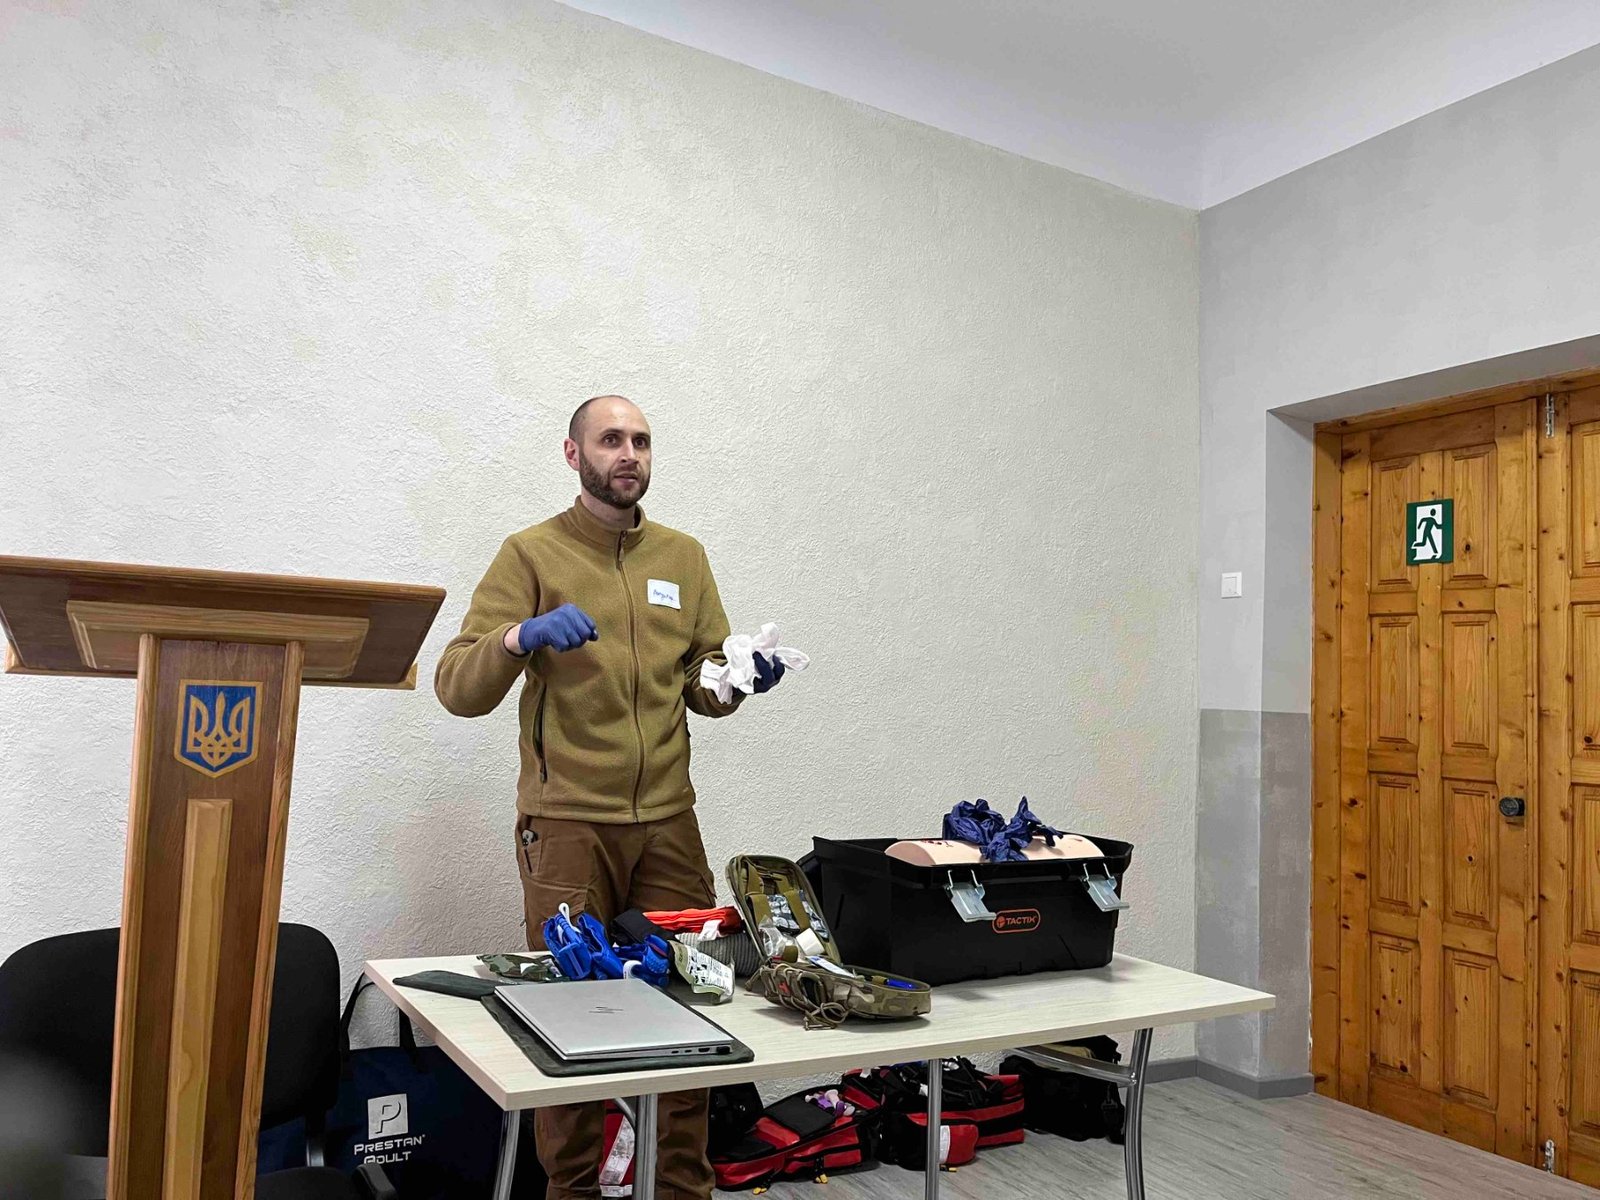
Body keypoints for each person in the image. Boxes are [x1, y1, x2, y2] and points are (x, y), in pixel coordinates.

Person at [435, 395, 784, 1200]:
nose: (629, 454)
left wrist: (736, 680)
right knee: (571, 1017)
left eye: (642, 441)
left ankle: (681, 1188)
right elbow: (456, 686)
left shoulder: (684, 557)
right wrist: (519, 637)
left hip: (668, 823)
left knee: (692, 1008)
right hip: (566, 827)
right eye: (611, 440)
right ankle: (574, 1191)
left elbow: (700, 682)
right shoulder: (531, 553)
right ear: (573, 454)